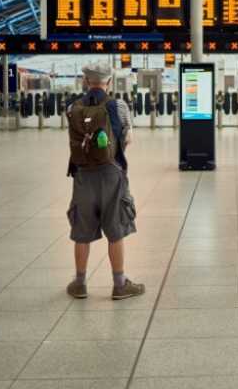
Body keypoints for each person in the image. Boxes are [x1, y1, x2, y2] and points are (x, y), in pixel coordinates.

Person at [65, 61, 144, 300]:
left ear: (86, 82)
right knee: (115, 228)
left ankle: (79, 284)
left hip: (82, 174)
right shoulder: (118, 106)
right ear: (109, 82)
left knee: (82, 230)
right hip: (111, 174)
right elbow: (127, 139)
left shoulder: (72, 107)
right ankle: (119, 285)